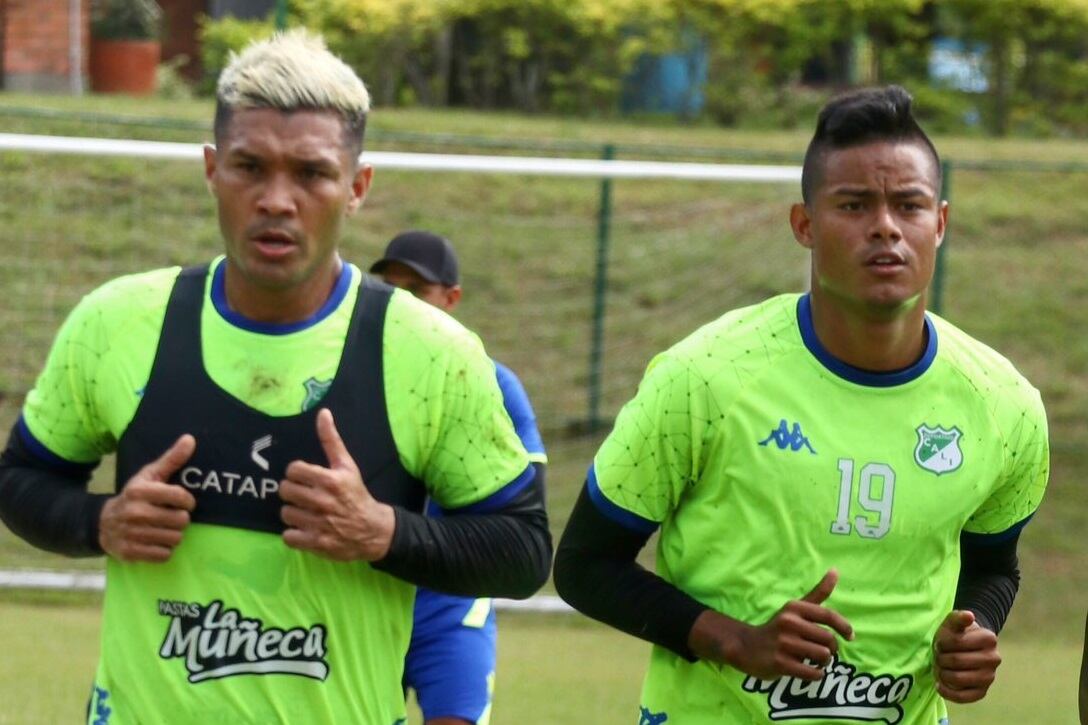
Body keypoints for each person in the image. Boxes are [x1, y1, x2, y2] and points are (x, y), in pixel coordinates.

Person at [0, 31, 550, 724]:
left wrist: (383, 531)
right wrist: (98, 519)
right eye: (250, 167)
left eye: (311, 174)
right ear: (211, 170)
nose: (276, 199)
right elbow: (20, 478)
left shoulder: (431, 353)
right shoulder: (118, 322)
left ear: (357, 187)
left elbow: (523, 550)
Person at [553, 85, 1049, 724]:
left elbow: (993, 568)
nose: (886, 227)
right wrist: (734, 640)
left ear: (941, 224)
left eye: (909, 205)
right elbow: (585, 565)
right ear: (804, 225)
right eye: (854, 204)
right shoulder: (706, 379)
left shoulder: (1003, 405)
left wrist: (974, 630)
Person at [371, 230, 548, 725]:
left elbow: (524, 525)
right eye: (389, 287)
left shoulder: (494, 385)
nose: (399, 302)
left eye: (416, 291)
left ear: (452, 298)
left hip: (450, 609)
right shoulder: (344, 378)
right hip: (359, 602)